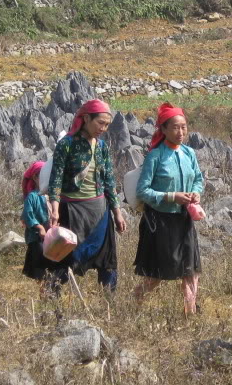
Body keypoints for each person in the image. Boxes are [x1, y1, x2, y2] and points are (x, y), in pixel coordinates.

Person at [45, 99, 126, 292]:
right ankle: (51, 305)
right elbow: (56, 179)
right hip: (72, 211)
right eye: (100, 123)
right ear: (86, 118)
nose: (103, 128)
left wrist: (117, 212)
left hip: (100, 213)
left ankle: (109, 304)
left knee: (107, 261)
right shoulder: (67, 144)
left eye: (107, 125)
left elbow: (109, 181)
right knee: (65, 260)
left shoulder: (102, 147)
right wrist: (55, 209)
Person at [133, 102, 205, 314]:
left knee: (191, 269)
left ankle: (190, 311)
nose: (180, 132)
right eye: (174, 127)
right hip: (160, 221)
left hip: (184, 219)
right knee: (157, 274)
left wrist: (196, 192)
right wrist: (172, 196)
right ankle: (134, 301)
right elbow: (142, 191)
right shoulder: (155, 157)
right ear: (163, 129)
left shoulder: (189, 153)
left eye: (183, 127)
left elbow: (198, 180)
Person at [20, 161, 53, 295]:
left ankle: (50, 292)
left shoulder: (52, 196)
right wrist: (39, 227)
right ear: (35, 178)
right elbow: (28, 215)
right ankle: (44, 293)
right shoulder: (32, 197)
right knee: (41, 270)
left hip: (50, 238)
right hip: (37, 239)